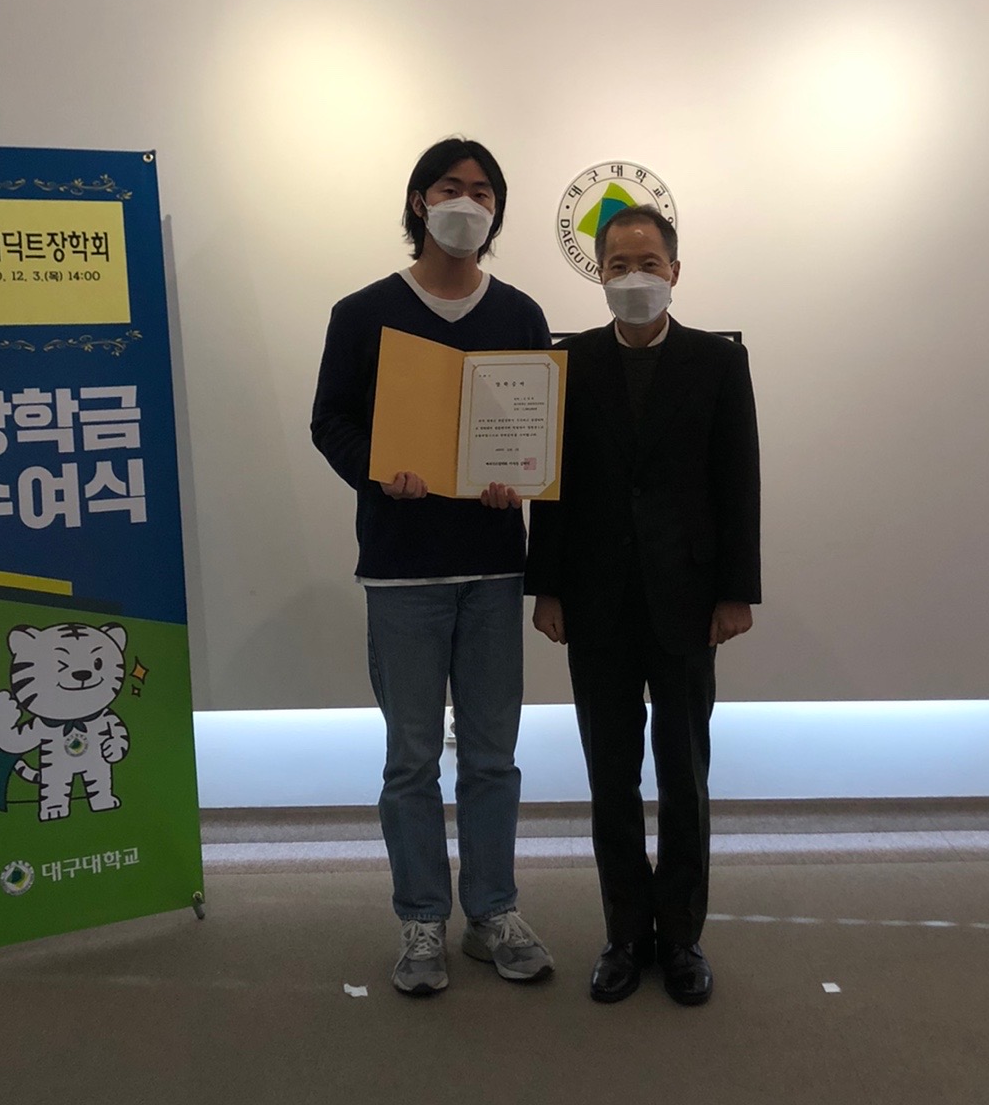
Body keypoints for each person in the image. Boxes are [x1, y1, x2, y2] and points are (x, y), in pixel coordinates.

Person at [311, 137, 555, 997]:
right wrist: (380, 469)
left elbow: (539, 431)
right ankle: (421, 921)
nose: (467, 204)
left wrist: (522, 482)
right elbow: (330, 421)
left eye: (484, 192)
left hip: (491, 567)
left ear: (498, 210)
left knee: (492, 757)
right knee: (411, 759)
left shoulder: (520, 313)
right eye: (451, 187)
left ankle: (493, 913)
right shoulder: (363, 312)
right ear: (419, 201)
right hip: (402, 570)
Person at [526, 204, 761, 1006]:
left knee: (685, 775)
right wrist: (547, 587)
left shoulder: (719, 361)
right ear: (599, 274)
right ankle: (625, 933)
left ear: (675, 272)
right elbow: (550, 489)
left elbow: (738, 479)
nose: (635, 278)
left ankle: (682, 936)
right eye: (619, 265)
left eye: (648, 264)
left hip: (689, 599)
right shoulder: (567, 362)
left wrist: (736, 591)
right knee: (611, 776)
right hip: (594, 600)